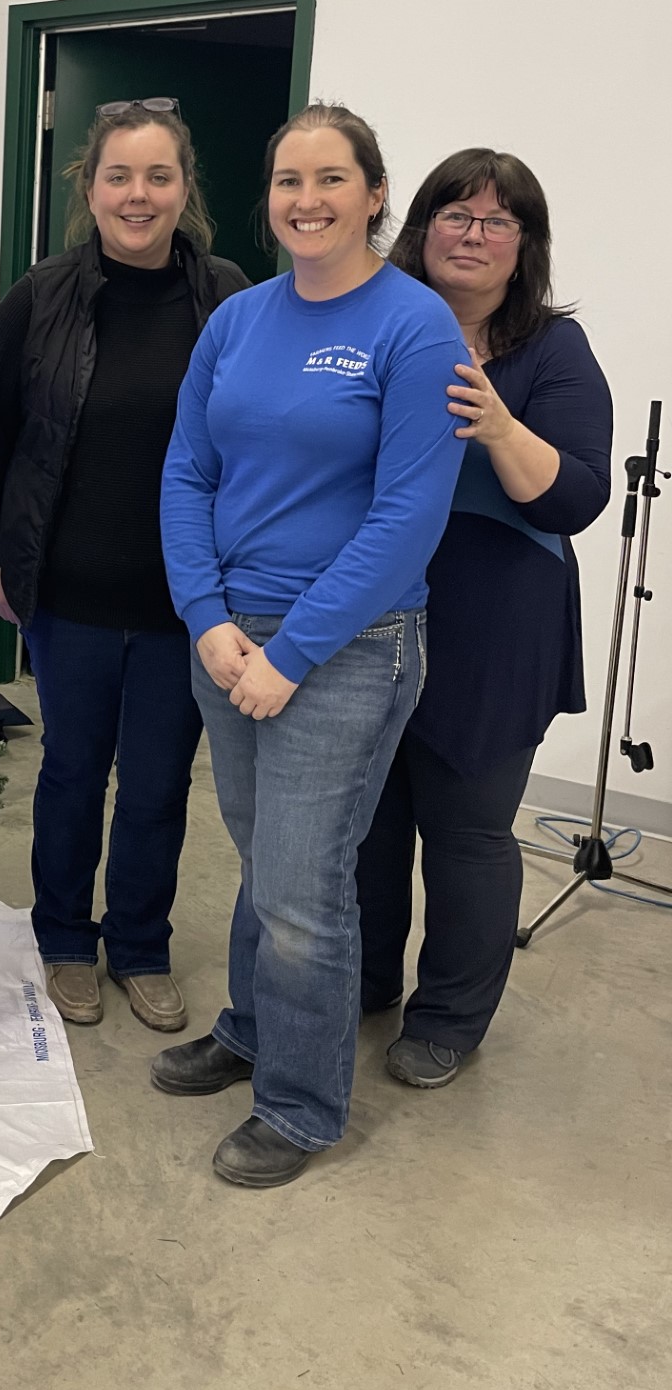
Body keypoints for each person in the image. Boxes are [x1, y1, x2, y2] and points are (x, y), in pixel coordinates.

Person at [155, 103, 466, 1188]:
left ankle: (300, 1103)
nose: (307, 200)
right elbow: (187, 473)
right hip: (234, 637)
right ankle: (252, 1030)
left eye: (332, 179)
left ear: (376, 195)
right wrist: (209, 621)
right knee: (265, 863)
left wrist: (294, 654)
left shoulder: (413, 325)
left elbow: (408, 517)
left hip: (348, 646)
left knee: (302, 884)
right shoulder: (238, 321)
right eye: (289, 180)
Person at [0, 100, 249, 1032]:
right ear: (90, 187)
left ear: (183, 189)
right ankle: (62, 942)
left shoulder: (228, 298)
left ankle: (140, 945)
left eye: (158, 176)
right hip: (71, 594)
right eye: (119, 175)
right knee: (74, 773)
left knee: (162, 783)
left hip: (187, 599)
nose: (139, 195)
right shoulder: (39, 298)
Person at [355, 151, 612, 1086]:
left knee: (466, 831)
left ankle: (450, 1019)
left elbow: (576, 498)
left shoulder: (554, 349)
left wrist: (501, 425)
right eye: (455, 213)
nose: (472, 233)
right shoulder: (373, 324)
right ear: (419, 228)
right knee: (369, 821)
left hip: (498, 621)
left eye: (498, 221)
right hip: (371, 610)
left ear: (524, 247)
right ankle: (367, 981)